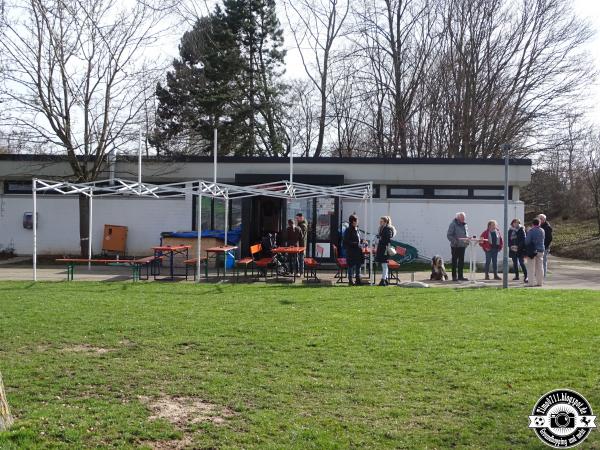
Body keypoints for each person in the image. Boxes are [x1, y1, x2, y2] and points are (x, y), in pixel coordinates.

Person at [446, 212, 469, 281]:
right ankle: (454, 276)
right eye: (462, 218)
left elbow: (466, 234)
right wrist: (455, 241)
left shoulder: (465, 225)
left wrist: (467, 240)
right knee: (454, 261)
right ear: (458, 218)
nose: (463, 219)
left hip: (463, 246)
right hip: (455, 246)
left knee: (461, 262)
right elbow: (449, 235)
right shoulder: (453, 224)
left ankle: (460, 276)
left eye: (464, 218)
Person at [343, 215, 364, 286]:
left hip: (358, 250)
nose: (358, 222)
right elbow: (346, 241)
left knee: (358, 264)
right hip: (351, 251)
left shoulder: (357, 229)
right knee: (351, 265)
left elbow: (357, 239)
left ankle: (358, 280)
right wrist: (356, 243)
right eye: (356, 221)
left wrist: (362, 241)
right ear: (353, 222)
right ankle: (350, 280)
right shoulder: (348, 230)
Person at [375, 216, 396, 286]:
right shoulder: (382, 228)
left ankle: (383, 280)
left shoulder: (387, 229)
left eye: (381, 221)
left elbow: (388, 239)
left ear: (385, 222)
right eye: (380, 221)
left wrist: (380, 238)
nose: (380, 223)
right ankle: (385, 279)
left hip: (384, 249)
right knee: (384, 264)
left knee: (384, 264)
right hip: (382, 248)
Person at [525, 218, 545, 287]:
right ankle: (540, 282)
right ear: (539, 223)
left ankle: (531, 283)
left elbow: (527, 241)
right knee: (540, 267)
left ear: (532, 224)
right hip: (541, 250)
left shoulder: (531, 231)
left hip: (532, 251)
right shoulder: (542, 230)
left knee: (531, 268)